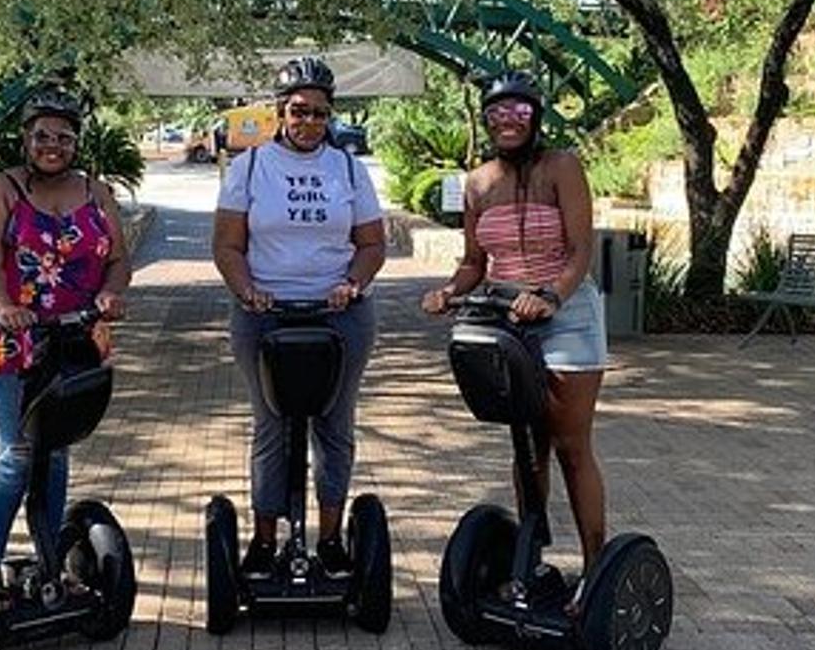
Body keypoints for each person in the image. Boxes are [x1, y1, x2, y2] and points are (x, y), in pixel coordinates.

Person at [419, 71, 608, 598]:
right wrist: (449, 292)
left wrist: (551, 295)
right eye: (498, 113)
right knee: (528, 445)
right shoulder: (477, 183)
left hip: (565, 314)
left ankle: (596, 570)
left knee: (570, 444)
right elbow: (475, 263)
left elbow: (579, 251)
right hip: (508, 320)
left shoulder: (562, 168)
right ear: (486, 120)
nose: (508, 122)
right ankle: (532, 562)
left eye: (519, 112)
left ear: (536, 117)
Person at [212, 56, 386, 578]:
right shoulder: (249, 167)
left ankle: (330, 541)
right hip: (265, 314)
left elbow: (372, 243)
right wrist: (247, 290)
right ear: (279, 112)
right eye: (298, 111)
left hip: (339, 315)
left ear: (331, 116)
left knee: (334, 426)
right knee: (271, 427)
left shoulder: (350, 169)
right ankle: (265, 543)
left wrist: (351, 284)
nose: (309, 122)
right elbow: (227, 244)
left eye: (319, 113)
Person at [0, 87, 130, 579]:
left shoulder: (95, 192)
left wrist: (111, 294)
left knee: (55, 451)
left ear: (77, 142)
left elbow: (118, 258)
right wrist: (4, 305)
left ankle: (49, 561)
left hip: (77, 337)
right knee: (17, 453)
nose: (52, 144)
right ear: (25, 138)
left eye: (63, 136)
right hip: (15, 340)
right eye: (42, 135)